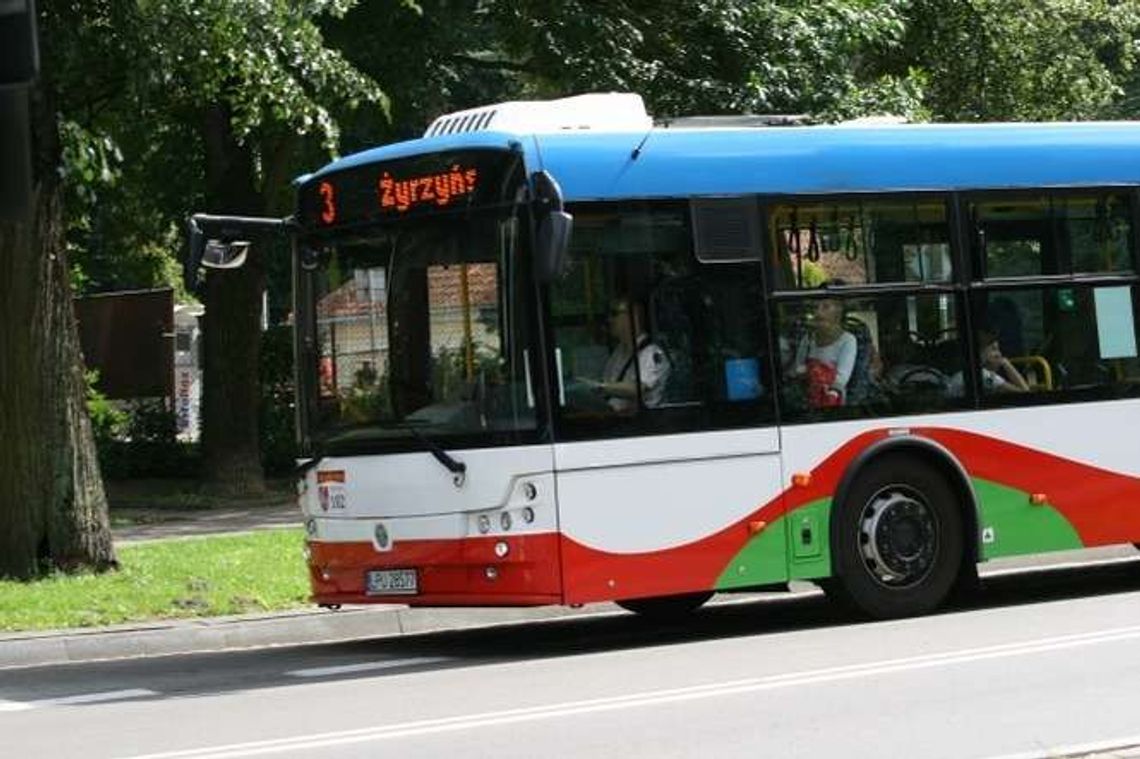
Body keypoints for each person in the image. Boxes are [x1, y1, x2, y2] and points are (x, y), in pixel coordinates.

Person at [580, 296, 670, 413]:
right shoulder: (619, 351)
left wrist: (599, 387)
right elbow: (610, 383)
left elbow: (638, 388)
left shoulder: (651, 352)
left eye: (614, 314)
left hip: (641, 423)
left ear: (633, 316)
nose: (609, 320)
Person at [787, 288, 857, 407]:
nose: (818, 313)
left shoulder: (848, 340)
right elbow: (797, 368)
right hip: (806, 396)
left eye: (825, 307)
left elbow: (841, 379)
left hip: (831, 398)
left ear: (838, 312)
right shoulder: (808, 338)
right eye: (815, 308)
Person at [947, 330, 1030, 396]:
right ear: (981, 353)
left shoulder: (970, 373)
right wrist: (1006, 364)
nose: (999, 354)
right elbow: (1025, 393)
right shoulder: (983, 375)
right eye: (994, 349)